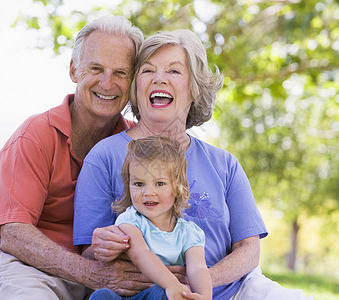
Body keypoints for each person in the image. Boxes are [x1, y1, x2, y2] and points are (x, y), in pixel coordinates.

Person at [74, 29, 313, 300]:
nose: (159, 79)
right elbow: (89, 255)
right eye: (147, 71)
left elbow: (249, 249)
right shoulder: (104, 156)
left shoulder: (224, 163)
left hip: (231, 291)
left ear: (194, 89)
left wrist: (198, 283)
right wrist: (104, 246)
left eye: (174, 71)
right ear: (136, 87)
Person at [0, 15, 148, 299]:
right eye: (96, 68)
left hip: (92, 276)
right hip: (21, 264)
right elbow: (14, 233)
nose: (108, 83)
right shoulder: (35, 136)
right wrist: (93, 274)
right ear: (74, 70)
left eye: (121, 73)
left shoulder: (137, 143)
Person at [89, 135, 212, 300]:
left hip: (162, 294)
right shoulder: (130, 221)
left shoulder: (189, 232)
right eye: (139, 184)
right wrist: (172, 284)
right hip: (131, 296)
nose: (148, 193)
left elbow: (197, 268)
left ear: (177, 188)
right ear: (128, 185)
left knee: (162, 294)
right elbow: (141, 254)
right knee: (102, 296)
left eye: (160, 183)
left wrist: (204, 296)